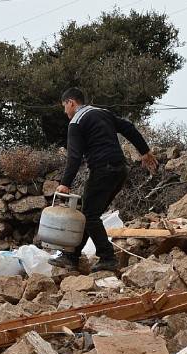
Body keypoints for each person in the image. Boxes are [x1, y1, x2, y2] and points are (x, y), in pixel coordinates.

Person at [49, 87, 158, 273]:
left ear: (71, 103)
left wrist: (65, 183)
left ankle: (107, 257)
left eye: (64, 107)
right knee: (89, 213)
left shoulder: (76, 122)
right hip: (120, 170)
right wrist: (145, 152)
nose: (64, 112)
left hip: (102, 170)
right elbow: (129, 128)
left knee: (89, 215)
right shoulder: (103, 113)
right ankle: (71, 256)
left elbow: (74, 157)